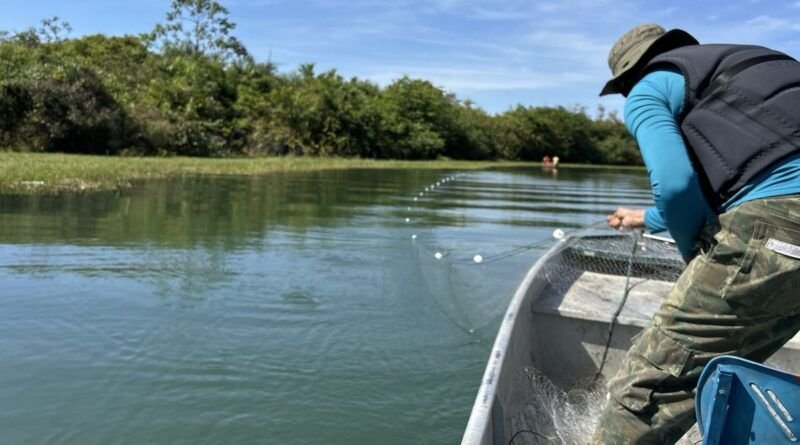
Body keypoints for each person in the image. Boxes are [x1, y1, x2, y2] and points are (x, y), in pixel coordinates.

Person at [594, 23, 800, 444]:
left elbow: (675, 185)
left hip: (780, 232)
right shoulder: (763, 67)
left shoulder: (648, 89)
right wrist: (644, 219)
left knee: (643, 393)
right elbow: (759, 179)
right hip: (783, 226)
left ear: (629, 76)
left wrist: (697, 256)